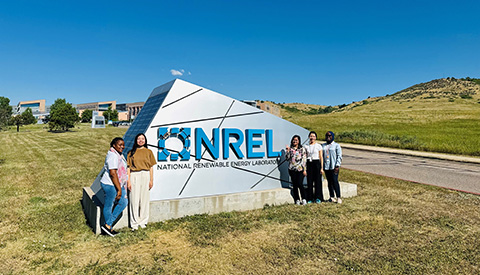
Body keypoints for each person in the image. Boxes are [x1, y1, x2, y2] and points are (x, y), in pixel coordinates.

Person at [127, 133, 157, 231]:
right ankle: (134, 223)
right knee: (134, 200)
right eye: (139, 139)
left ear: (145, 140)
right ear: (136, 140)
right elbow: (128, 168)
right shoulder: (131, 153)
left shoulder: (149, 152)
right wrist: (128, 181)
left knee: (144, 200)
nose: (140, 140)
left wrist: (151, 180)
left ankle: (143, 221)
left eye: (142, 139)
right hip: (134, 175)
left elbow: (151, 167)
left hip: (145, 175)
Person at [101, 137, 128, 236]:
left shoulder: (118, 154)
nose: (122, 147)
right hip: (110, 185)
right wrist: (119, 190)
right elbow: (113, 173)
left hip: (117, 183)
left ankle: (107, 225)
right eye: (120, 145)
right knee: (109, 205)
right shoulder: (113, 155)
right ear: (114, 145)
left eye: (123, 145)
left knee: (123, 202)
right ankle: (108, 228)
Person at [285, 135, 307, 205]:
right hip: (292, 169)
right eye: (293, 140)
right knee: (294, 185)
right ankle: (297, 199)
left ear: (298, 141)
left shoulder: (302, 149)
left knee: (300, 184)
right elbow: (287, 159)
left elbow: (304, 159)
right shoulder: (290, 149)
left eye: (296, 140)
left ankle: (304, 198)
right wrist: (288, 151)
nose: (294, 141)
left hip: (300, 169)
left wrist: (304, 169)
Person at [322, 131, 343, 204]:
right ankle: (331, 196)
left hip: (333, 166)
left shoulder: (336, 145)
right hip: (326, 167)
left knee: (335, 181)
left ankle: (338, 197)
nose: (328, 137)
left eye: (330, 136)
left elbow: (339, 156)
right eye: (327, 135)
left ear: (332, 136)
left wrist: (337, 165)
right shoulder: (323, 145)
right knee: (329, 182)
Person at [304, 131, 324, 203]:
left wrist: (322, 168)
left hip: (316, 163)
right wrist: (305, 168)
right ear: (309, 137)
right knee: (309, 181)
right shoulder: (306, 146)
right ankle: (310, 198)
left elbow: (321, 157)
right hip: (309, 163)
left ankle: (318, 197)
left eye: (313, 136)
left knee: (318, 181)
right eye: (311, 136)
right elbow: (305, 156)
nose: (312, 137)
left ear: (315, 137)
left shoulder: (319, 146)